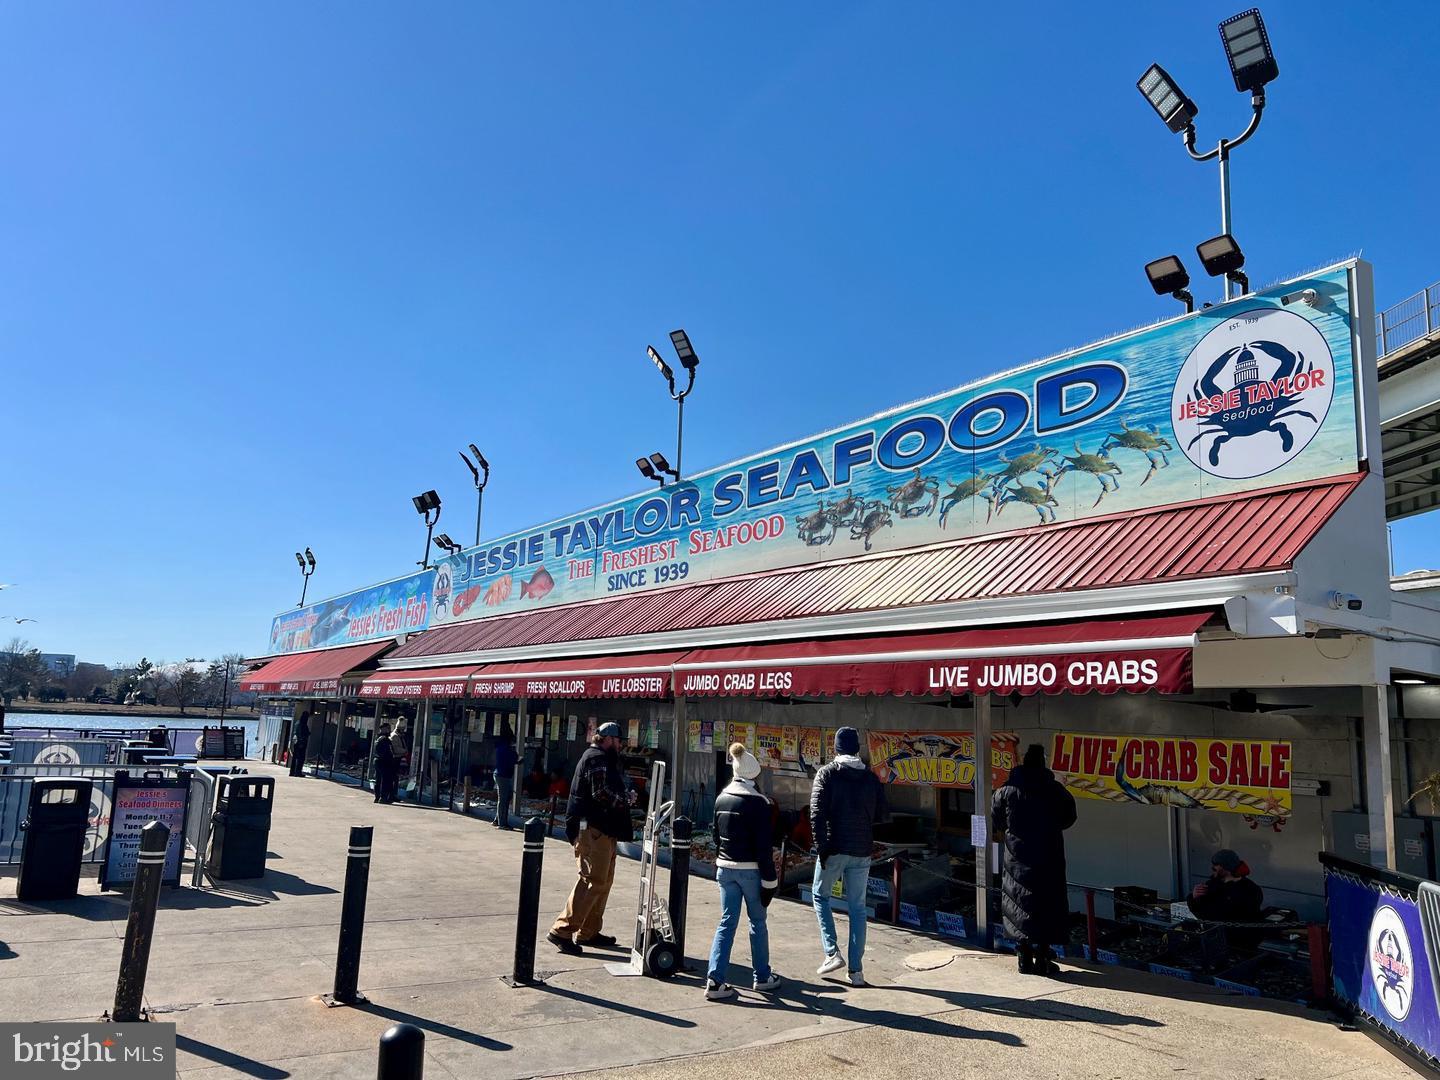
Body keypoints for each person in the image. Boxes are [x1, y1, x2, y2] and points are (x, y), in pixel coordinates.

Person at [809, 726, 889, 987]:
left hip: (834, 846)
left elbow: (816, 813)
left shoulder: (827, 774)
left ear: (836, 748)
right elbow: (882, 815)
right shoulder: (871, 778)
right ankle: (856, 972)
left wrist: (822, 847)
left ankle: (832, 952)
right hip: (862, 849)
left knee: (820, 895)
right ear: (857, 748)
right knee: (858, 909)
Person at [548, 721, 635, 955]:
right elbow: (600, 793)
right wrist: (625, 799)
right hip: (592, 830)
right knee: (592, 880)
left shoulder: (599, 757)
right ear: (607, 739)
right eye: (618, 741)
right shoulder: (596, 758)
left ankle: (589, 931)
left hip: (602, 829)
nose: (620, 745)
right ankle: (562, 930)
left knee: (603, 880)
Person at [704, 742, 782, 1000]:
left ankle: (715, 980)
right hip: (751, 871)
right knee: (757, 922)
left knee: (727, 922)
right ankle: (762, 977)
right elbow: (763, 848)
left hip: (725, 869)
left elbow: (715, 837)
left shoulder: (721, 797)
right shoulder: (759, 804)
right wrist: (770, 881)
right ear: (753, 775)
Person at [992, 743, 1078, 975]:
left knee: (1018, 903)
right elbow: (1069, 817)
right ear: (1043, 763)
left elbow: (996, 819)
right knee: (1046, 904)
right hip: (1048, 856)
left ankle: (1022, 956)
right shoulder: (1054, 790)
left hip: (1016, 859)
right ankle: (1043, 957)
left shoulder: (1006, 791)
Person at [1189, 848, 1264, 947]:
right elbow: (1198, 910)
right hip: (1214, 938)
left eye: (1216, 865)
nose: (1213, 868)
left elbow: (1246, 917)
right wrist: (1194, 897)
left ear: (1226, 867)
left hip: (1240, 943)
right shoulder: (1212, 884)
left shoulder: (1250, 889)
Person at [493, 728, 518, 830]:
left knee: (505, 797)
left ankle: (497, 819)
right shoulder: (506, 748)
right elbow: (513, 758)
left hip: (500, 774)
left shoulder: (501, 746)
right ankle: (502, 823)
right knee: (503, 800)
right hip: (503, 776)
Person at [372, 723, 396, 804]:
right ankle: (383, 798)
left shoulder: (378, 738)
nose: (390, 730)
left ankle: (377, 797)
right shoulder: (385, 739)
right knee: (385, 780)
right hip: (384, 762)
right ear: (385, 729)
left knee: (378, 780)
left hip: (377, 761)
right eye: (388, 728)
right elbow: (389, 752)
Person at [289, 712, 310, 777]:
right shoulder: (302, 724)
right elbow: (301, 733)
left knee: (295, 758)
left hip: (296, 743)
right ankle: (297, 772)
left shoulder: (297, 723)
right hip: (301, 743)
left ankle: (292, 772)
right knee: (300, 758)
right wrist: (302, 741)